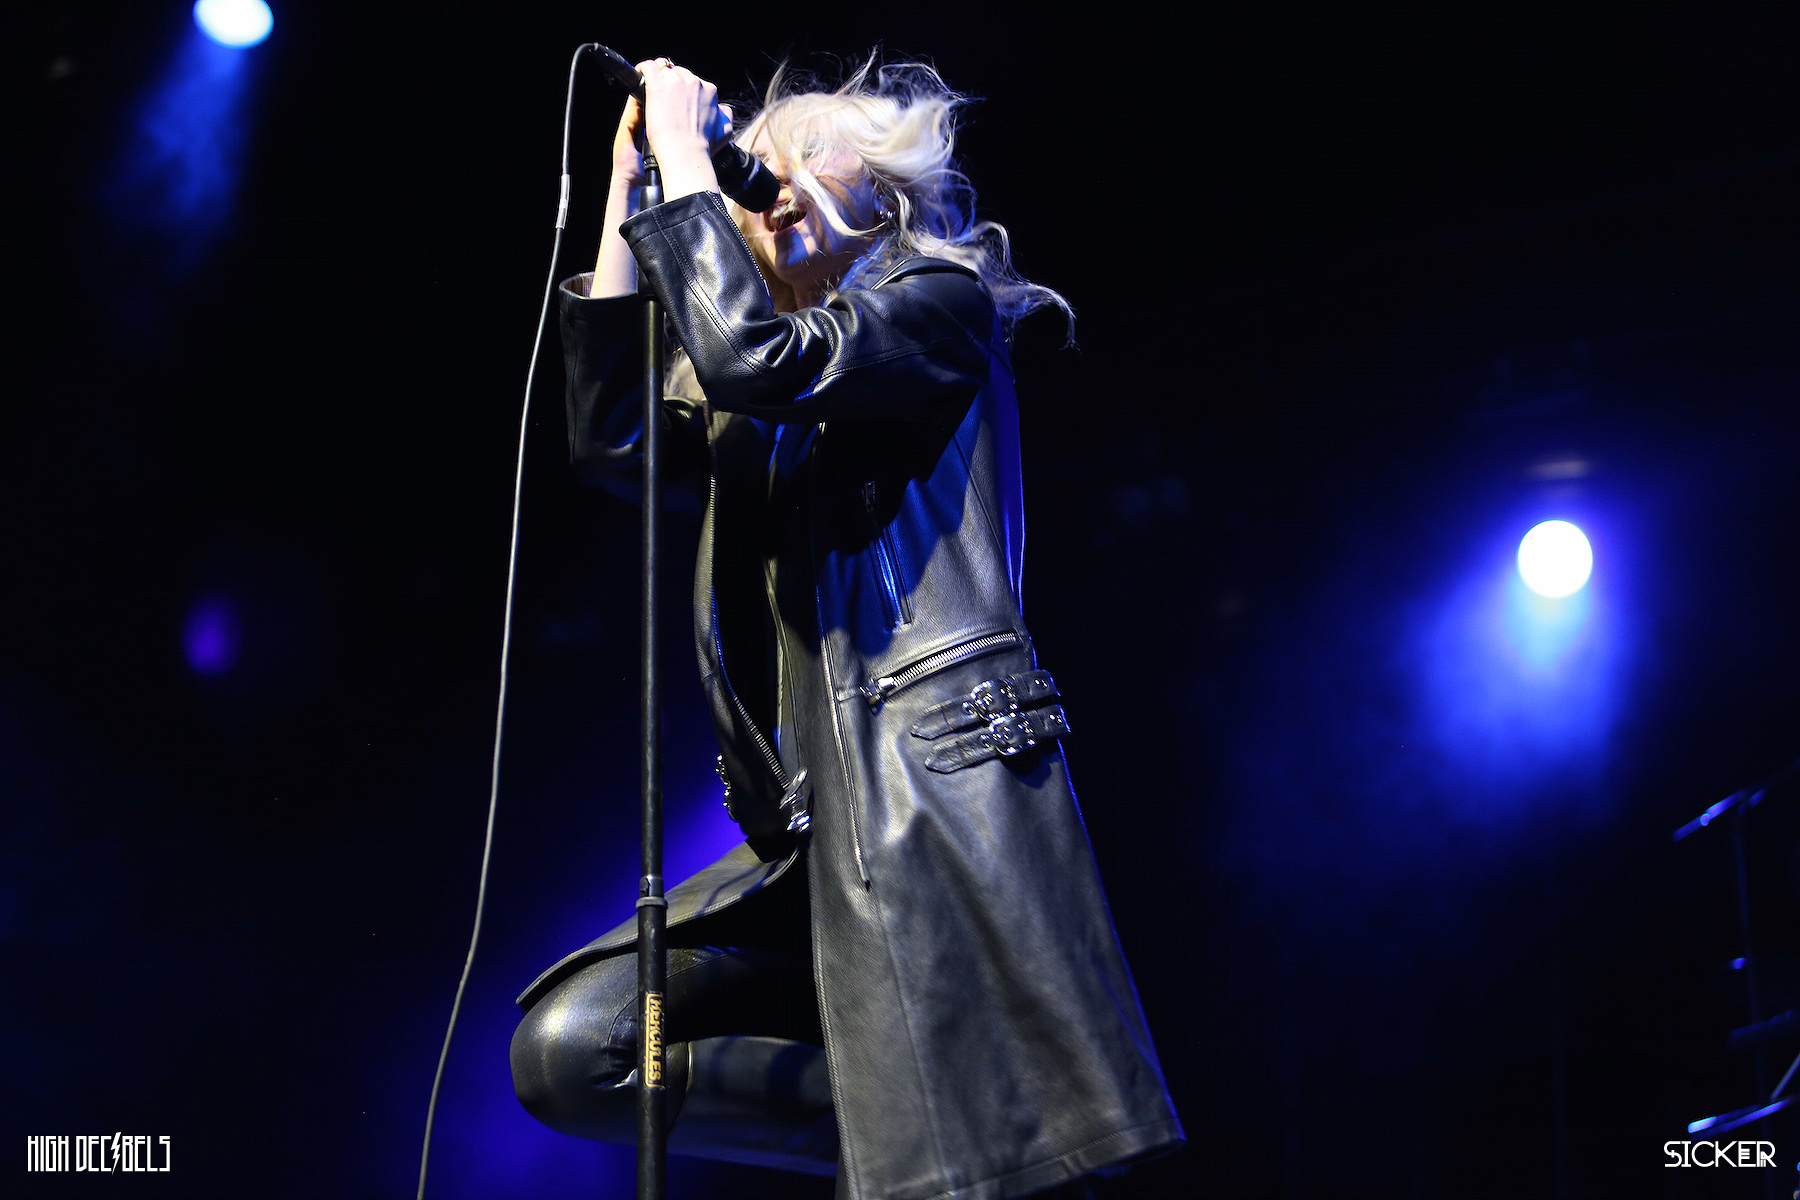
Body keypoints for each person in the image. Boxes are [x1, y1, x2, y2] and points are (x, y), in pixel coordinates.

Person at [509, 54, 1183, 1198]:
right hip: (810, 854)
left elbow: (752, 358)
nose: (768, 181)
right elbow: (620, 441)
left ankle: (953, 1148)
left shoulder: (938, 305)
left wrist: (691, 166)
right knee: (581, 1047)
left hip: (930, 817)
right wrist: (631, 200)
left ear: (886, 190)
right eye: (752, 171)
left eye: (806, 154)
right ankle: (917, 1135)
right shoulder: (758, 395)